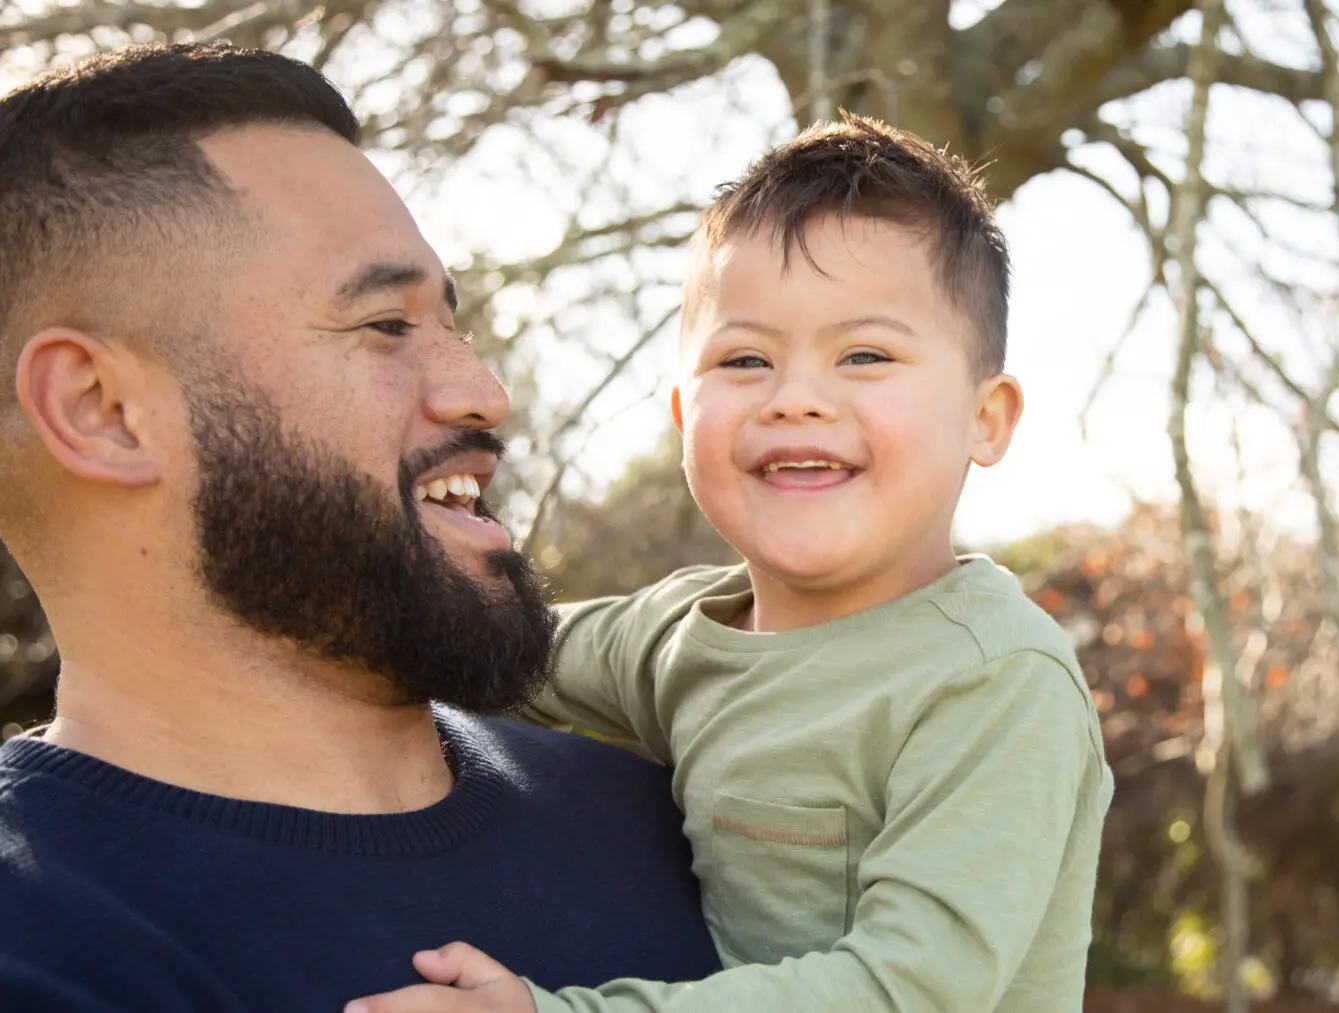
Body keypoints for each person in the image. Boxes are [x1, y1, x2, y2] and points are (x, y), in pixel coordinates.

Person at [0, 42, 721, 1011]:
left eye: (450, 323)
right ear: (103, 410)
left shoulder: (695, 816)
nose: (484, 392)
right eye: (386, 325)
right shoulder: (40, 947)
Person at [348, 116, 1114, 1013]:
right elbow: (501, 653)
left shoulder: (994, 680)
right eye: (745, 358)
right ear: (682, 410)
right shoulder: (675, 638)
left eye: (865, 355)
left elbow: (908, 990)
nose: (796, 399)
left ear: (987, 418)